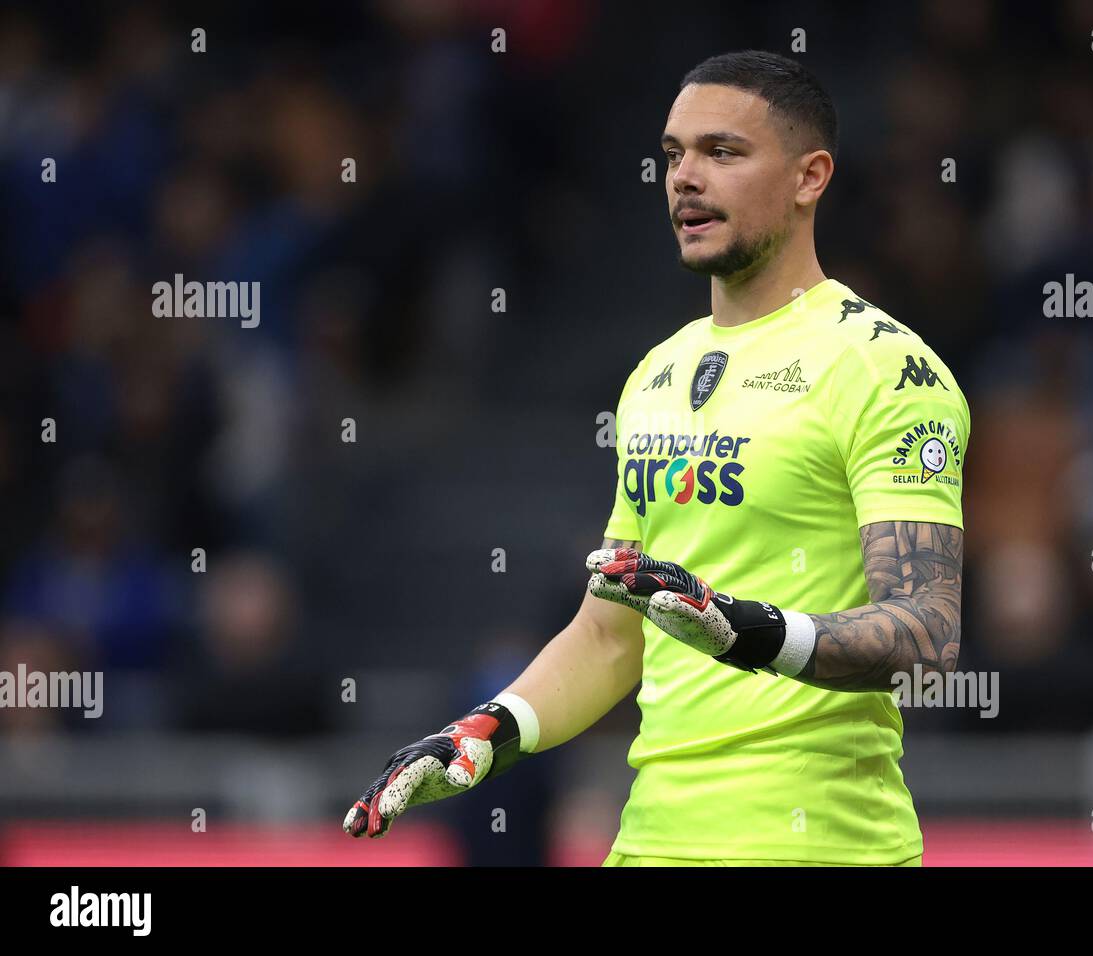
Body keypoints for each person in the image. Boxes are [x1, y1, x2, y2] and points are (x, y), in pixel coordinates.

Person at [344, 50, 969, 867]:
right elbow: (610, 635)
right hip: (648, 846)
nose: (684, 177)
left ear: (810, 177)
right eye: (673, 155)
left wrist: (750, 632)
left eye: (723, 152)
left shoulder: (885, 367)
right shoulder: (658, 374)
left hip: (824, 849)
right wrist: (491, 731)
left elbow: (926, 632)